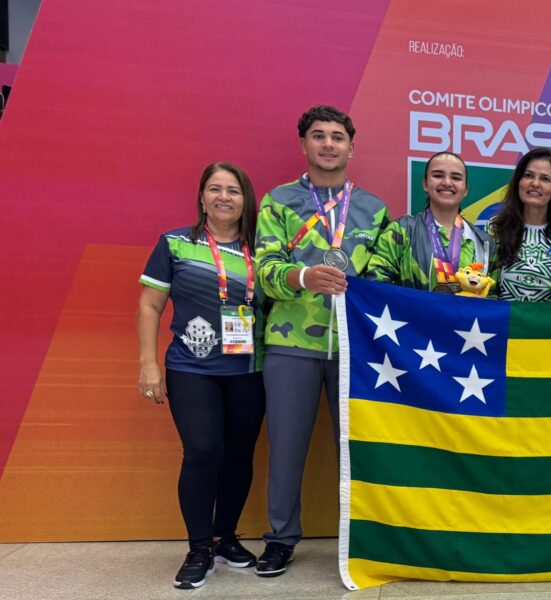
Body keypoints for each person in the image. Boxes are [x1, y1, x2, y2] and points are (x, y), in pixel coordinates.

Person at [253, 105, 389, 577]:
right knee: (286, 448)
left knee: (357, 448)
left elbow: (383, 278)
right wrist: (304, 275)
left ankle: (362, 538)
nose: (328, 144)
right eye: (319, 136)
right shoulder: (278, 201)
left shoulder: (375, 208)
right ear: (304, 145)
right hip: (292, 342)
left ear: (352, 147)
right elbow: (263, 272)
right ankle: (280, 539)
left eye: (337, 137)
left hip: (357, 349)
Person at [137, 162, 264, 589]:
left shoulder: (263, 250)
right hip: (191, 368)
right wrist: (148, 364)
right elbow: (150, 305)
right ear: (202, 196)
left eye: (234, 190)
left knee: (239, 455)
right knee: (203, 451)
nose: (224, 197)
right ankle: (198, 549)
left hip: (249, 368)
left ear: (246, 199)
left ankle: (224, 537)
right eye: (215, 189)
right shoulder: (174, 243)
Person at [367, 151, 496, 291]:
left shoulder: (485, 243)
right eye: (438, 175)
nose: (447, 182)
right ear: (425, 184)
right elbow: (376, 285)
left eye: (456, 177)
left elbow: (493, 297)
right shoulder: (401, 230)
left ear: (466, 190)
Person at [489, 147, 551, 301]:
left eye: (545, 179)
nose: (535, 183)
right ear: (518, 184)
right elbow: (487, 289)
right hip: (505, 323)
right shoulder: (496, 230)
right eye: (528, 175)